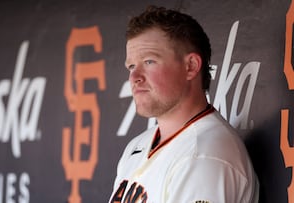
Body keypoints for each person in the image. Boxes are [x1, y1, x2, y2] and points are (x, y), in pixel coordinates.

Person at [109, 5, 259, 203]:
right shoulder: (138, 145)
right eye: (131, 66)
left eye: (149, 61)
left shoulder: (205, 156)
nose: (135, 77)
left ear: (191, 67)